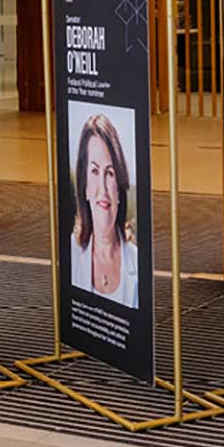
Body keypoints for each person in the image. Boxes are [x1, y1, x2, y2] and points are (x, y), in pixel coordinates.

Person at [65, 112, 142, 308]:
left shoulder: (138, 262)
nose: (103, 188)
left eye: (109, 173)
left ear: (120, 186)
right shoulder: (70, 253)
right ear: (85, 187)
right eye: (94, 171)